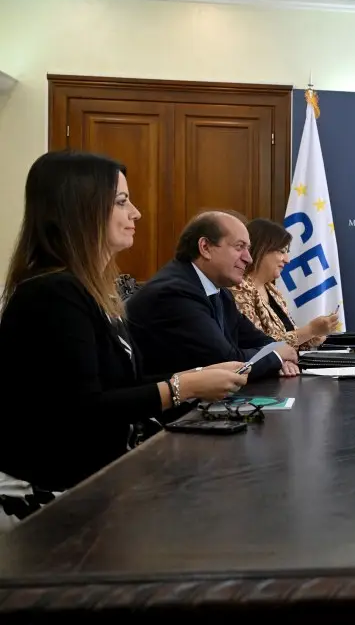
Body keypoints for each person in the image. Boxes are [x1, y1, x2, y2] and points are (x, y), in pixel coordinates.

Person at [0, 151, 248, 514]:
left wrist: (196, 375)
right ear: (80, 208)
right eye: (121, 201)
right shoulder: (52, 293)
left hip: (96, 476)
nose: (136, 213)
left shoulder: (94, 290)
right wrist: (185, 387)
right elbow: (84, 408)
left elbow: (122, 385)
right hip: (50, 496)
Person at [127, 211, 301, 380]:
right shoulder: (175, 293)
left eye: (248, 249)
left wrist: (278, 352)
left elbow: (256, 340)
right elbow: (224, 362)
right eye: (239, 247)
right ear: (205, 247)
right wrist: (277, 357)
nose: (248, 259)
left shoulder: (220, 291)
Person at [229, 218, 338, 350]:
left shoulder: (272, 290)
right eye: (282, 251)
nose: (287, 260)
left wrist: (312, 336)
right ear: (261, 249)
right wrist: (310, 330)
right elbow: (257, 345)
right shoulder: (237, 289)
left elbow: (287, 336)